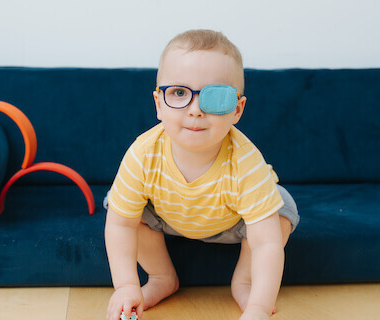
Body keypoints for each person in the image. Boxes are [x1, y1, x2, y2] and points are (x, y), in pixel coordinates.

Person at [104, 29, 299, 320]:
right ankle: (161, 277)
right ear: (159, 103)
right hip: (167, 216)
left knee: (280, 212)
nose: (195, 110)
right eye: (179, 93)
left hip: (234, 222)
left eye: (215, 98)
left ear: (237, 109)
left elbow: (266, 243)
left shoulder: (246, 162)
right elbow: (120, 225)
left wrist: (259, 306)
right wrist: (126, 285)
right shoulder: (143, 153)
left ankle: (244, 282)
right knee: (117, 204)